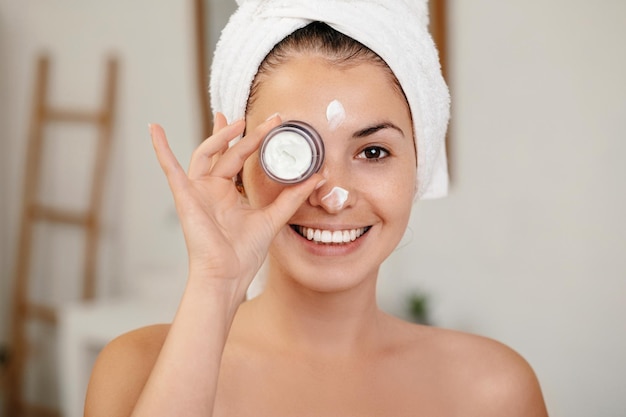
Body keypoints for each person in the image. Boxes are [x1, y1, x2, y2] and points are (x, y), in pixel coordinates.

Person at [85, 1, 549, 416]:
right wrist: (215, 283)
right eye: (292, 150)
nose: (332, 195)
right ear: (240, 165)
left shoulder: (493, 390)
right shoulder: (134, 371)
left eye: (372, 152)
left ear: (419, 166)